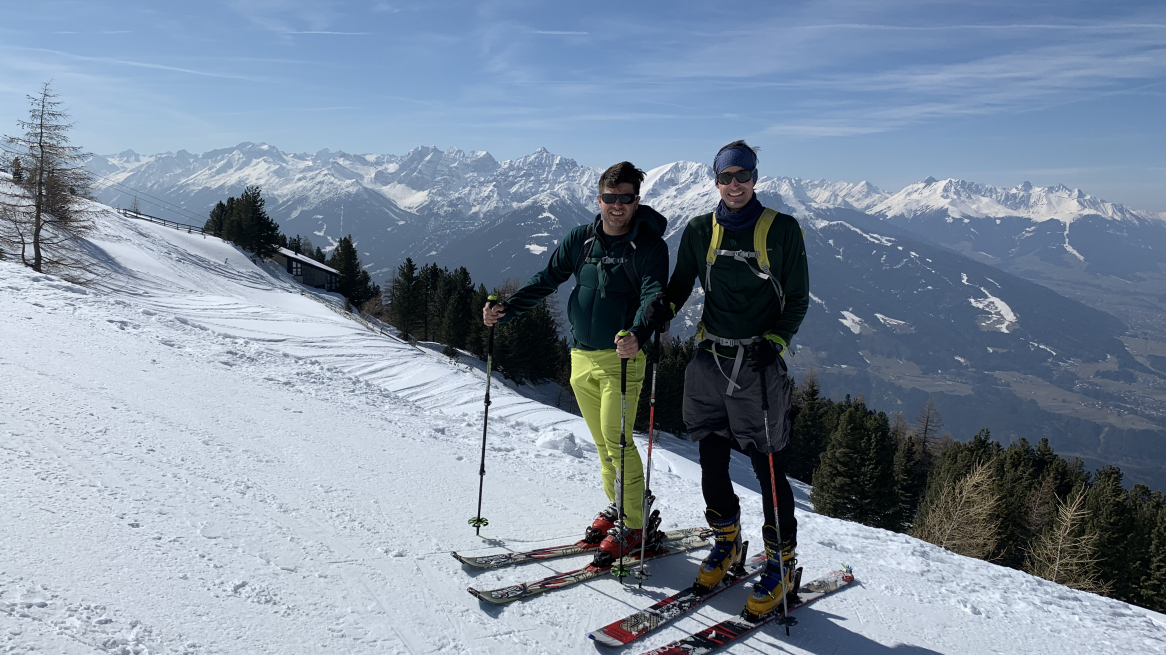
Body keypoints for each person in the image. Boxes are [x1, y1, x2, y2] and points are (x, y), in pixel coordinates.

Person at [647, 140, 809, 619]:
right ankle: (728, 543)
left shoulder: (783, 230)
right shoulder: (699, 230)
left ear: (755, 178)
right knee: (711, 461)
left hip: (758, 366)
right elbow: (680, 285)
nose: (734, 185)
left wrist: (775, 341)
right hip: (709, 361)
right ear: (715, 181)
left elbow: (797, 299)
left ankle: (781, 564)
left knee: (769, 469)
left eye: (743, 176)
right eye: (726, 177)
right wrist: (664, 308)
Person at [482, 161, 669, 564]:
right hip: (580, 356)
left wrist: (639, 333)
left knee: (617, 443)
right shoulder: (581, 240)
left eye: (626, 198)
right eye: (610, 197)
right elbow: (546, 278)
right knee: (603, 445)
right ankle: (620, 507)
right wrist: (507, 309)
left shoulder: (650, 246)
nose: (617, 206)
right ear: (598, 199)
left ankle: (635, 526)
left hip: (622, 359)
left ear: (638, 200)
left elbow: (655, 294)